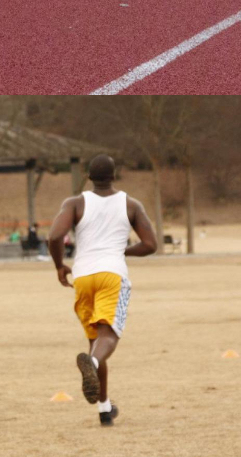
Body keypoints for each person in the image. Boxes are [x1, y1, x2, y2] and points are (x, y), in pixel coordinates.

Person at [48, 155, 158, 427]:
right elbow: (150, 244)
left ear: (88, 177)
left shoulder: (75, 203)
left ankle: (105, 409)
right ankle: (93, 365)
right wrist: (123, 251)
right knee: (107, 337)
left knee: (95, 343)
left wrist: (60, 265)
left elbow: (54, 236)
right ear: (114, 176)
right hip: (112, 275)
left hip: (83, 276)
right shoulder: (131, 205)